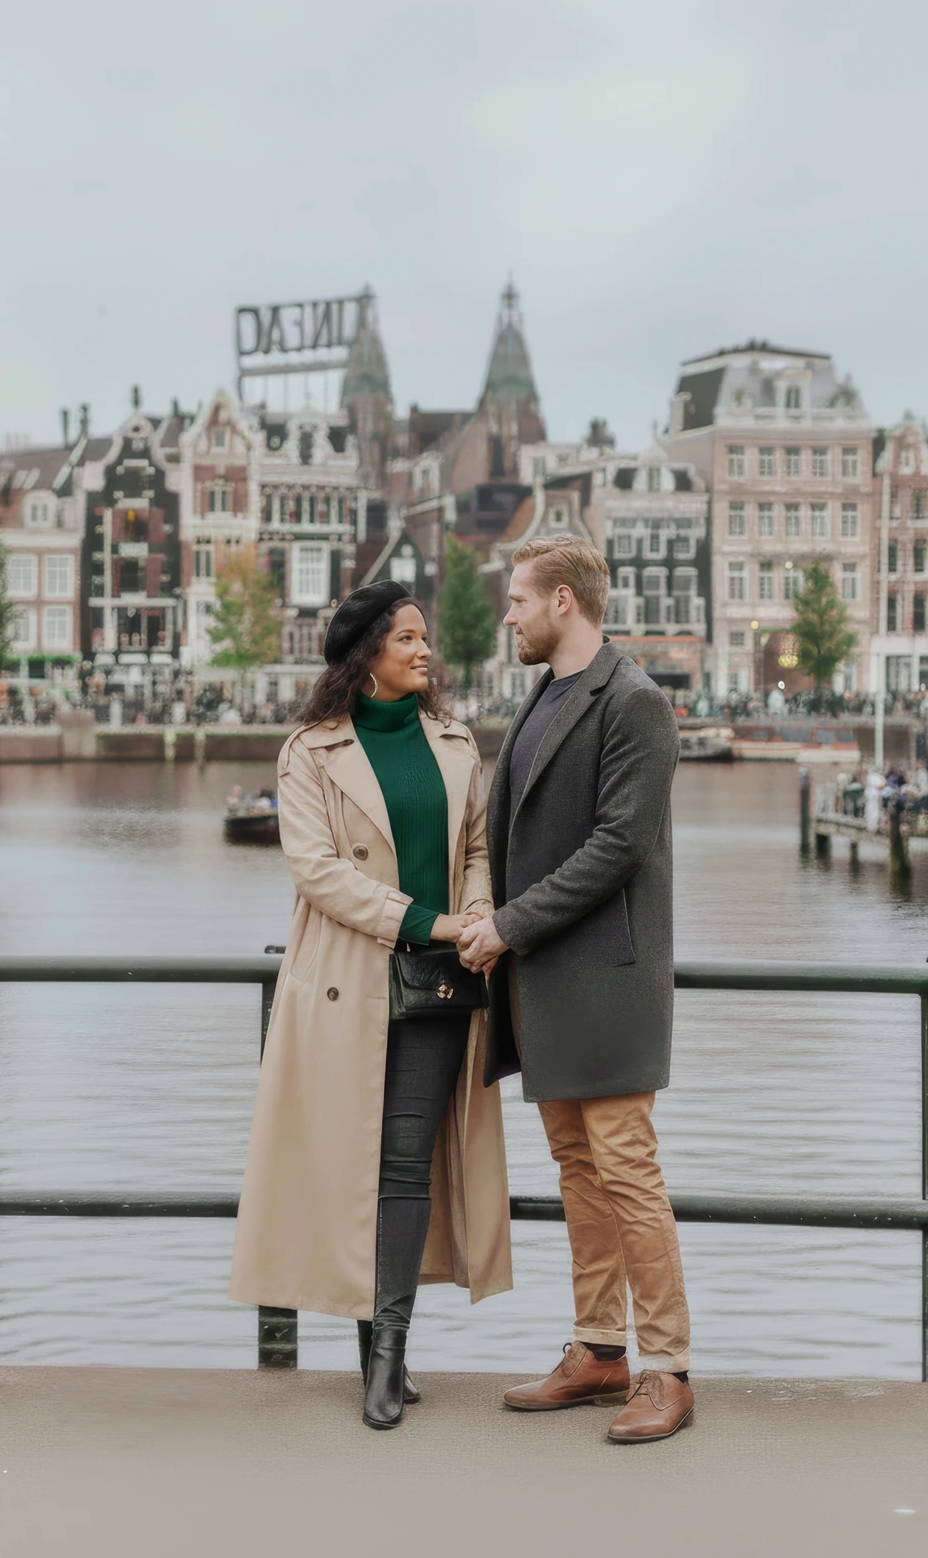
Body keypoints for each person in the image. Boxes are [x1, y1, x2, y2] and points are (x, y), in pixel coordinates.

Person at [229, 581, 511, 1430]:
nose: (425, 652)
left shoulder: (454, 741)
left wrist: (480, 912)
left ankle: (387, 1350)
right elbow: (317, 872)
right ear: (368, 657)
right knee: (353, 1161)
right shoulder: (309, 752)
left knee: (400, 1163)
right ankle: (370, 1351)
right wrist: (425, 919)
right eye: (408, 640)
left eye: (426, 639)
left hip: (437, 983)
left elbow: (476, 846)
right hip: (346, 980)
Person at [458, 538, 692, 1445]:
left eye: (518, 599)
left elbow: (617, 847)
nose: (507, 615)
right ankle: (601, 1352)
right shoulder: (541, 697)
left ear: (564, 600)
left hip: (605, 984)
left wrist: (509, 925)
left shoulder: (635, 703)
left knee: (628, 1174)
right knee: (579, 1175)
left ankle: (667, 1367)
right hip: (547, 985)